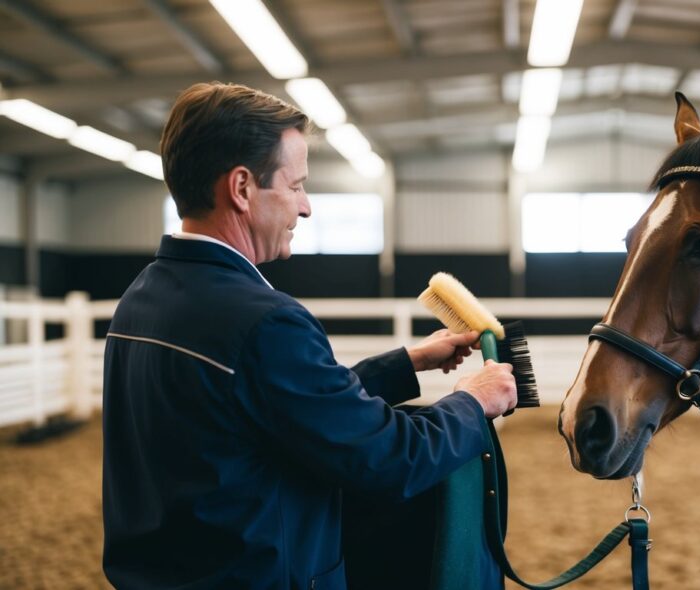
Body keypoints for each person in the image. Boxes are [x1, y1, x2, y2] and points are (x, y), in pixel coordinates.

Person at [101, 81, 517, 589]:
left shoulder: (142, 299)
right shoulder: (264, 320)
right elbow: (386, 459)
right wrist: (472, 405)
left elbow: (281, 410)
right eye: (295, 185)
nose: (306, 207)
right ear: (241, 188)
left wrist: (406, 364)